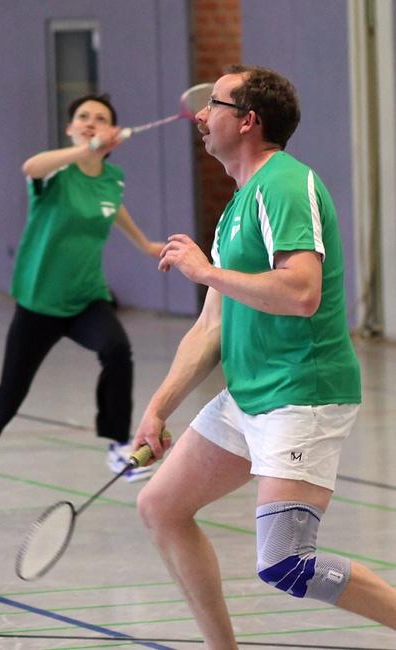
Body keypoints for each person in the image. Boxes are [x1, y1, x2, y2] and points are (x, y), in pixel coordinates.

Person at [134, 65, 396, 647]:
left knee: (287, 564)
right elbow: (211, 327)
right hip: (250, 394)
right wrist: (159, 409)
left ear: (248, 121)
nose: (201, 116)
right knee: (161, 506)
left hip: (301, 393)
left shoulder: (284, 185)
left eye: (215, 104)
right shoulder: (237, 205)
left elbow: (303, 292)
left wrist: (206, 270)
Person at [0, 94, 165, 519]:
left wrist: (143, 243)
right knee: (8, 396)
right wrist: (87, 149)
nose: (90, 122)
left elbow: (111, 207)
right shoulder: (55, 172)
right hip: (39, 302)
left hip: (85, 298)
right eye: (83, 117)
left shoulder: (111, 178)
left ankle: (118, 445)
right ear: (70, 128)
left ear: (114, 136)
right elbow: (30, 167)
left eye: (100, 119)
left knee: (117, 350)